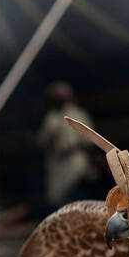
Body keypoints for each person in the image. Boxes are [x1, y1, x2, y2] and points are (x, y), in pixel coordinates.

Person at [37, 82, 96, 212]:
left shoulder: (79, 114)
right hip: (57, 166)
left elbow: (91, 141)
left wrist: (74, 147)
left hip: (76, 165)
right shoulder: (51, 117)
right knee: (59, 202)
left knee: (78, 202)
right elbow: (42, 141)